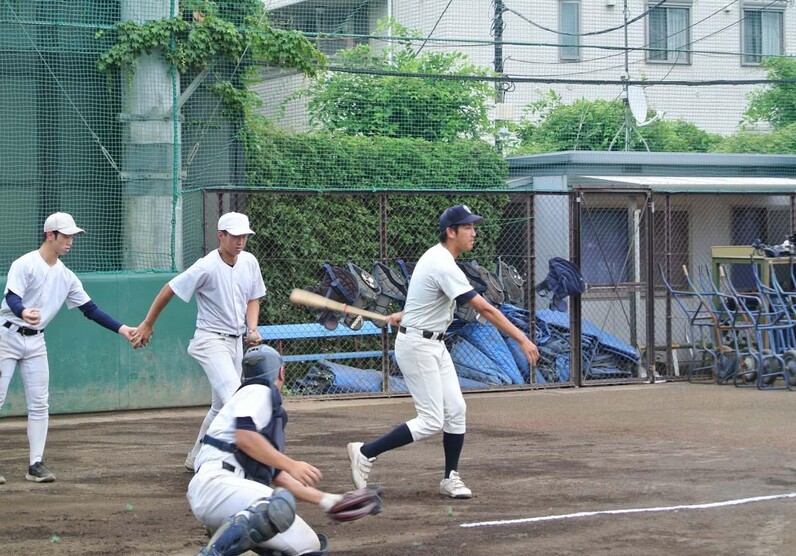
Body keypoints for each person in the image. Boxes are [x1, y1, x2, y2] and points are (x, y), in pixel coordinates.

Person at [347, 204, 540, 498]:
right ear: (451, 232)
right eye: (468, 228)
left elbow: (427, 298)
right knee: (431, 420)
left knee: (457, 410)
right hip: (417, 346)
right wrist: (522, 339)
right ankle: (365, 452)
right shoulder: (442, 263)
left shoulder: (441, 259)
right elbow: (485, 308)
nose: (474, 233)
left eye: (474, 227)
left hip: (433, 343)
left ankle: (450, 478)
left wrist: (405, 313)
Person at [0, 212, 136, 484]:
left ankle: (36, 464)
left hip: (36, 340)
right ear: (50, 235)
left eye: (73, 236)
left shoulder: (67, 276)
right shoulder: (25, 263)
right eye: (67, 235)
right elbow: (12, 297)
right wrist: (24, 311)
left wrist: (123, 329)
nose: (71, 241)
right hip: (6, 336)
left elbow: (90, 310)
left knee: (40, 404)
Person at [131, 212, 266, 471]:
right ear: (221, 236)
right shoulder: (206, 266)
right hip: (210, 341)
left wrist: (252, 328)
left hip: (236, 342)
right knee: (236, 402)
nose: (240, 241)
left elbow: (253, 298)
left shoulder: (249, 261)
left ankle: (195, 456)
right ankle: (247, 465)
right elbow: (169, 289)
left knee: (219, 407)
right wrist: (148, 324)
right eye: (235, 236)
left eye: (244, 236)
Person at [189, 344, 340, 556]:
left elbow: (278, 477)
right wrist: (292, 464)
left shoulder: (252, 405)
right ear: (281, 371)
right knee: (277, 504)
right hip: (218, 486)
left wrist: (327, 499)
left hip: (229, 494)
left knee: (309, 546)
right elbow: (245, 438)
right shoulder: (259, 390)